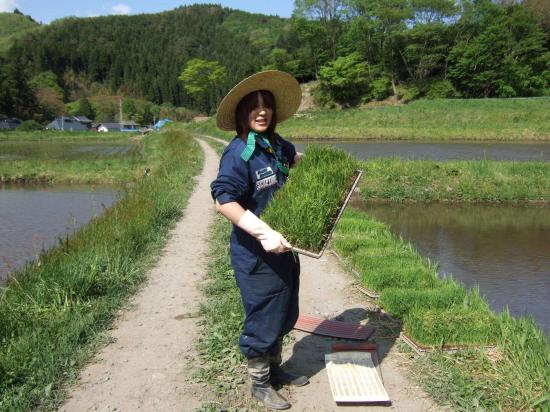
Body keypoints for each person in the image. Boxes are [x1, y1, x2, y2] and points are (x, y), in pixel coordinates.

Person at [210, 71, 307, 410]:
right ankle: (259, 383)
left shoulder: (277, 145)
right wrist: (264, 233)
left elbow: (296, 162)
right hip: (256, 253)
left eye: (267, 106)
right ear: (242, 113)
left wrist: (327, 173)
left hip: (284, 250)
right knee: (264, 314)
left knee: (284, 310)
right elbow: (223, 200)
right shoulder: (239, 154)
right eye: (254, 107)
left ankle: (276, 370)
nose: (262, 112)